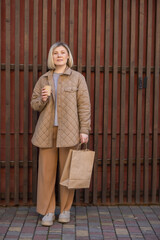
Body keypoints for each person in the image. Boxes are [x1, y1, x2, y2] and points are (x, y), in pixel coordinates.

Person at [30, 42, 91, 226]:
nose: (59, 55)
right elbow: (34, 105)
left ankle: (65, 210)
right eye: (55, 53)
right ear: (52, 57)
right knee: (46, 175)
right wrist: (43, 98)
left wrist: (84, 130)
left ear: (68, 56)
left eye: (62, 52)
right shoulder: (44, 79)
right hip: (46, 132)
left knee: (67, 174)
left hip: (70, 133)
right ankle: (47, 211)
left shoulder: (77, 78)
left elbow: (84, 105)